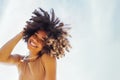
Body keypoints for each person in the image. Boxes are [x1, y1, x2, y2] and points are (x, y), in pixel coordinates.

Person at [0, 8, 71, 80]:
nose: (35, 40)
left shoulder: (46, 58)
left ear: (47, 45)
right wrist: (22, 33)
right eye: (35, 35)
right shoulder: (20, 61)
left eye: (42, 40)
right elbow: (1, 57)